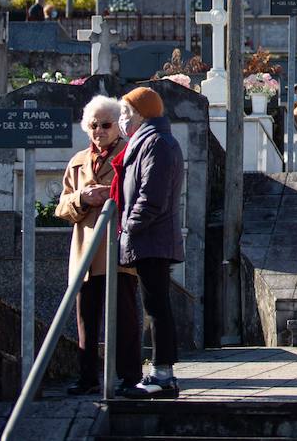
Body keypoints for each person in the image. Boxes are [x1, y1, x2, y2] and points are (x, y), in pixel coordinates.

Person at [55, 96, 142, 395]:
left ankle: (130, 376)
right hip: (85, 253)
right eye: (93, 125)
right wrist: (82, 198)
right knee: (86, 320)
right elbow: (62, 206)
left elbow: (140, 194)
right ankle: (87, 376)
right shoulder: (78, 161)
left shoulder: (130, 154)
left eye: (106, 125)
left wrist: (112, 194)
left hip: (118, 250)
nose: (99, 131)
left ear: (117, 126)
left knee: (125, 318)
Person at [115, 87, 184, 398]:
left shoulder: (156, 143)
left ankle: (162, 373)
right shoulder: (147, 141)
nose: (122, 120)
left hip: (151, 238)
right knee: (154, 304)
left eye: (126, 113)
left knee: (156, 306)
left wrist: (128, 229)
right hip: (149, 238)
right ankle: (160, 371)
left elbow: (151, 198)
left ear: (141, 114)